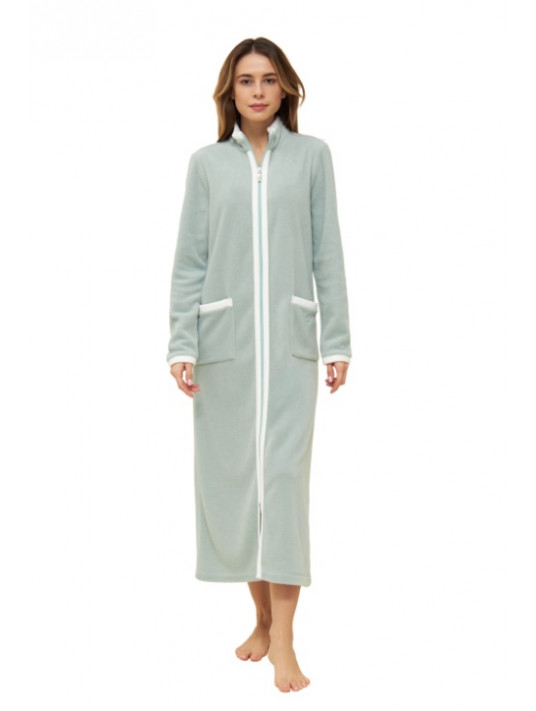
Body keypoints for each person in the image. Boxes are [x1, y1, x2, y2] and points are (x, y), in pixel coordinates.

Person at [166, 37, 352, 693]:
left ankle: (285, 641)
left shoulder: (312, 157)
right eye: (246, 80)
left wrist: (337, 341)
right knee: (240, 487)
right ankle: (262, 620)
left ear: (285, 89)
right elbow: (190, 260)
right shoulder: (207, 165)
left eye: (269, 79)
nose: (257, 91)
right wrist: (182, 344)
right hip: (225, 350)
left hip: (291, 348)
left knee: (282, 487)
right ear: (230, 91)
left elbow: (327, 252)